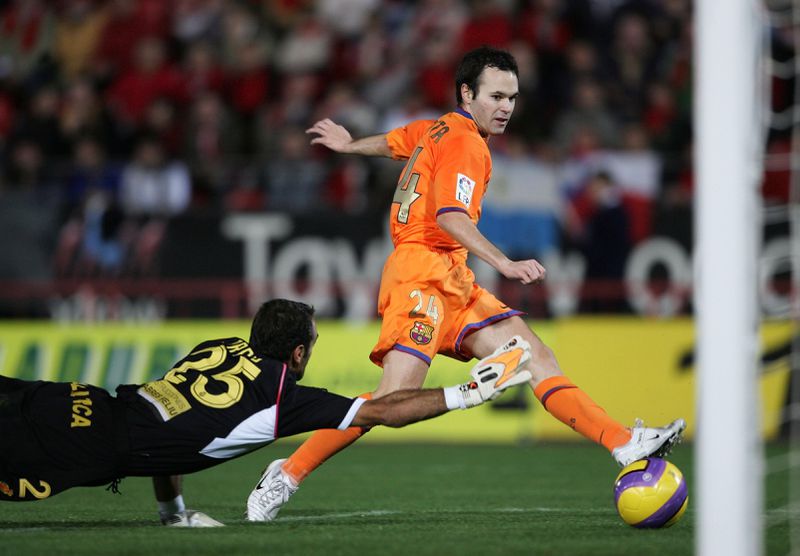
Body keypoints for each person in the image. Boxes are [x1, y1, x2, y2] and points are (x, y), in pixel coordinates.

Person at [245, 46, 686, 522]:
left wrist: (351, 145)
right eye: (496, 96)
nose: (505, 108)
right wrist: (506, 262)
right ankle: (287, 472)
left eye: (513, 98)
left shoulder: (437, 127)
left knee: (535, 357)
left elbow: (395, 141)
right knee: (390, 402)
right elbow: (450, 216)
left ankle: (623, 443)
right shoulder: (466, 144)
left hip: (449, 274)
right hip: (420, 272)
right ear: (467, 92)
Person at [0, 298, 533, 528]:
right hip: (81, 446)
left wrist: (174, 514)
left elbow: (171, 426)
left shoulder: (219, 345)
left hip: (76, 399)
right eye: (313, 344)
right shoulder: (283, 396)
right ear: (298, 353)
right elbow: (384, 411)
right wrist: (467, 393)